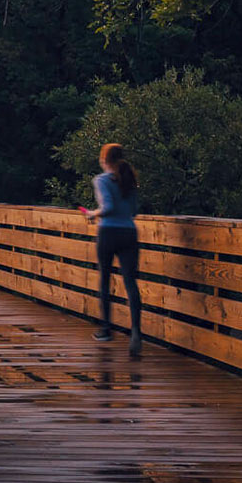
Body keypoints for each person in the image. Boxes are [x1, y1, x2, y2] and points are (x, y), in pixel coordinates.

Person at [81, 143, 143, 356]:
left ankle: (106, 329)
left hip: (108, 233)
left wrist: (92, 213)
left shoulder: (101, 180)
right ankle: (136, 331)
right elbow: (134, 212)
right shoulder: (130, 180)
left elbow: (107, 208)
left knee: (105, 280)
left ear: (104, 160)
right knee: (130, 282)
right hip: (129, 233)